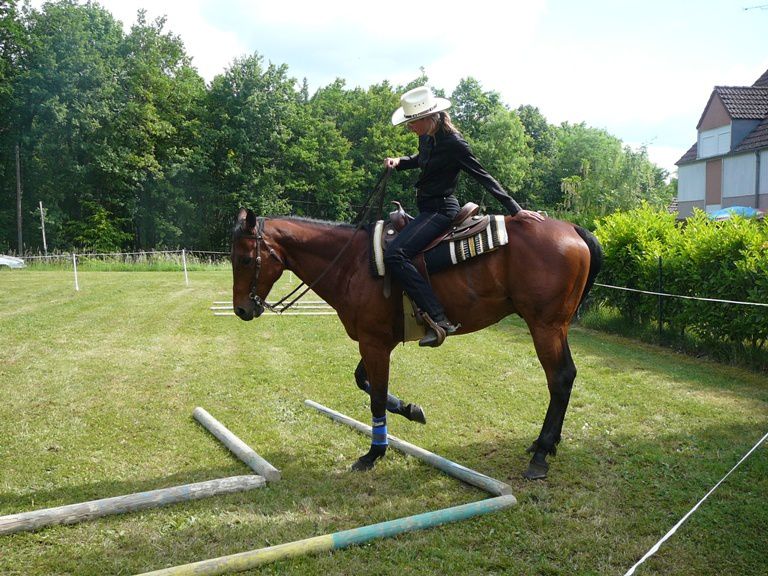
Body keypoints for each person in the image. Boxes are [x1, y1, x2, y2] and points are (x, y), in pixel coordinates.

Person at [384, 85, 544, 347]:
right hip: (427, 210)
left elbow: (483, 176)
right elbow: (421, 159)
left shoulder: (454, 144)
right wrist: (400, 161)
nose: (410, 127)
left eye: (412, 122)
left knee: (395, 254)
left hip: (441, 211)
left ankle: (438, 318)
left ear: (429, 117)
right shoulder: (426, 138)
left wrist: (515, 209)